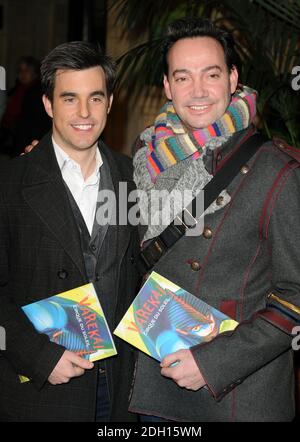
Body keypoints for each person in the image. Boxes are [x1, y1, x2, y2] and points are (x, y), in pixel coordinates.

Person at [129, 18, 300, 422]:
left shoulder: (276, 171)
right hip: (155, 380)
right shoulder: (146, 158)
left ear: (232, 78)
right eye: (183, 77)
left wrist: (212, 363)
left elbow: (296, 294)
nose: (199, 91)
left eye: (212, 74)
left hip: (233, 395)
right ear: (168, 87)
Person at [0, 42, 139, 422]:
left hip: (118, 392)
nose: (83, 113)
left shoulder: (134, 179)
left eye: (95, 98)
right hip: (40, 389)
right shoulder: (9, 184)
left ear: (110, 102)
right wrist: (39, 356)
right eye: (69, 98)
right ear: (48, 105)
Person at [0, 56, 51, 157]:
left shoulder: (38, 92)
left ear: (35, 73)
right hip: (14, 137)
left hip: (30, 140)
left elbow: (35, 122)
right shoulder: (17, 89)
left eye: (27, 70)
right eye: (20, 70)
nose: (22, 74)